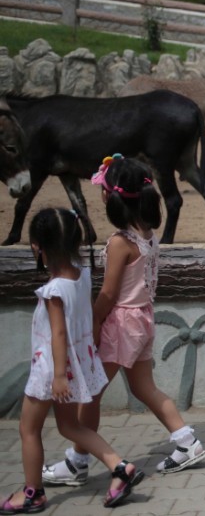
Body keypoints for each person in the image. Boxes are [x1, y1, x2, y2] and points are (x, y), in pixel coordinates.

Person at [42, 155, 205, 488]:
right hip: (143, 320)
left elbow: (109, 293)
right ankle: (188, 442)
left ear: (111, 197)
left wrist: (93, 324)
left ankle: (78, 461)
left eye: (102, 189)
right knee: (145, 387)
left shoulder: (120, 242)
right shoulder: (147, 235)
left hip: (120, 324)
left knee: (91, 394)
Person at [2, 208, 143, 513]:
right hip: (73, 365)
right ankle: (120, 466)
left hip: (51, 370)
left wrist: (57, 377)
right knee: (70, 426)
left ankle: (32, 493)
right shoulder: (83, 273)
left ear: (38, 247)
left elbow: (58, 335)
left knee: (28, 429)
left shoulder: (54, 290)